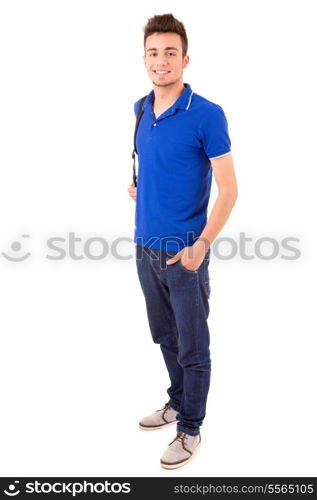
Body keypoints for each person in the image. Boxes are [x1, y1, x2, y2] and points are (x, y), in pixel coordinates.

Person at [128, 13, 238, 469]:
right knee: (164, 335)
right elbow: (156, 164)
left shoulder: (207, 114)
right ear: (144, 58)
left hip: (185, 252)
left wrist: (202, 245)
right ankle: (177, 400)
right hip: (143, 245)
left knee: (193, 343)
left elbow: (230, 189)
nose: (161, 60)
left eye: (170, 52)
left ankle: (190, 427)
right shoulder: (139, 108)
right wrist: (141, 187)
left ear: (185, 59)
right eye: (154, 52)